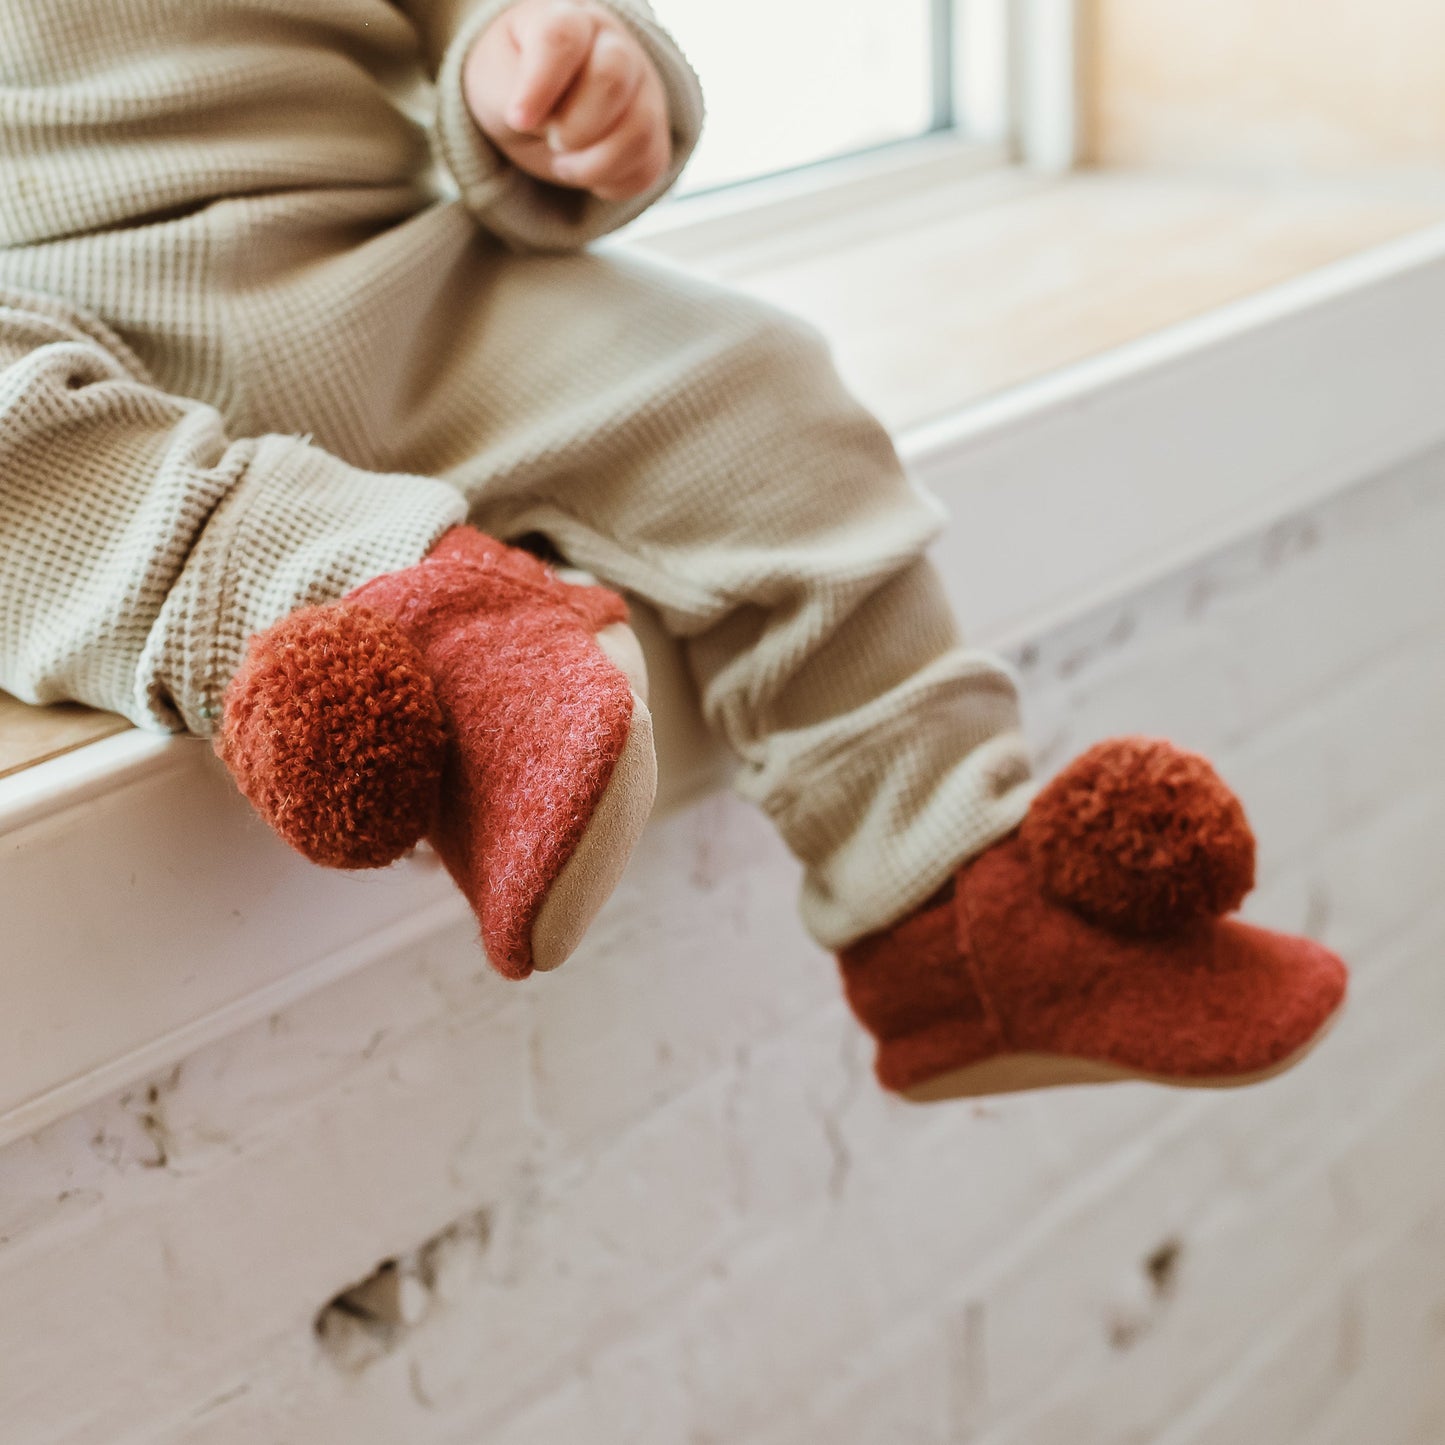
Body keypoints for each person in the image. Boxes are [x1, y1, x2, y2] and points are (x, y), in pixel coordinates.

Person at [0, 0, 1345, 1100]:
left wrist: (562, 74)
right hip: (62, 344)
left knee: (757, 389)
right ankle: (399, 611)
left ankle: (946, 898)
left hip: (388, 279)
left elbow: (499, 29)